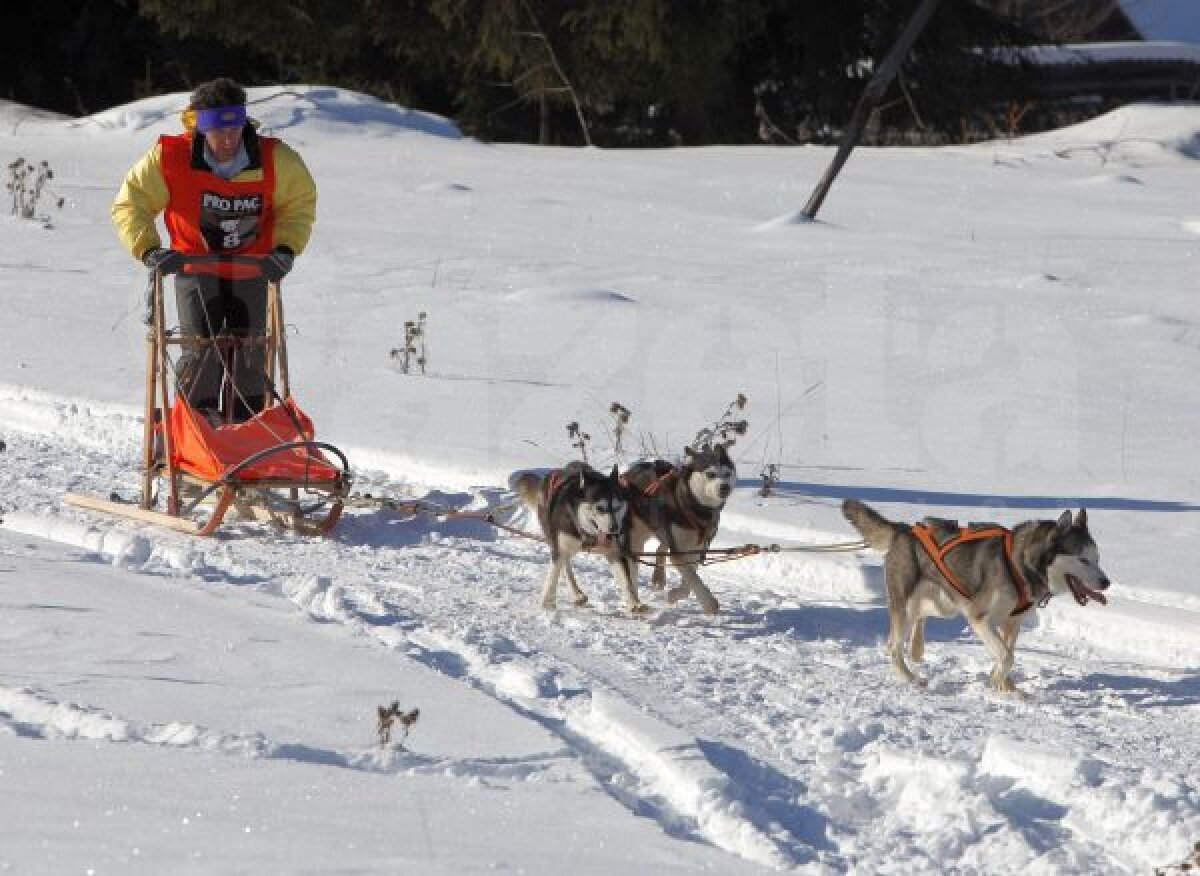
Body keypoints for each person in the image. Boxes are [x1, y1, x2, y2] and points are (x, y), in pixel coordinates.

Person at [111, 77, 316, 421]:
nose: (228, 139)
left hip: (253, 270)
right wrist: (149, 250)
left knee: (251, 356)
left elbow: (299, 205)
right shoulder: (171, 157)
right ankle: (198, 428)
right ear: (200, 126)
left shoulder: (275, 158)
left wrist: (285, 250)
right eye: (219, 131)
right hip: (194, 268)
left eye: (235, 129)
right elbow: (131, 203)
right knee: (201, 353)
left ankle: (247, 429)